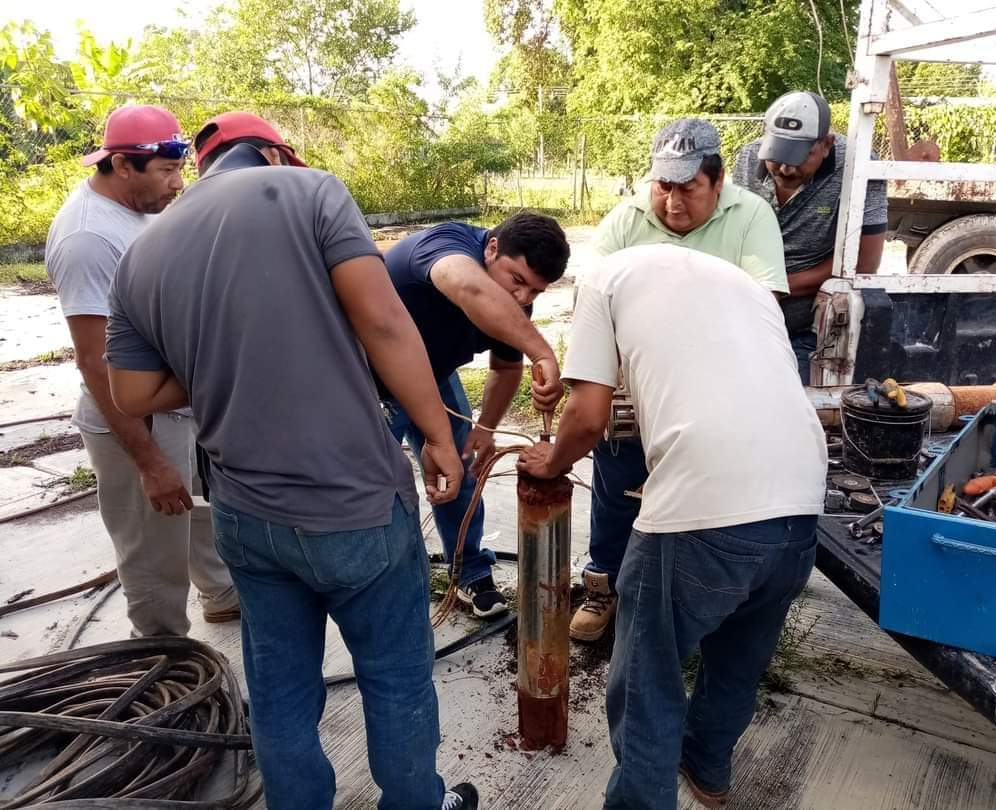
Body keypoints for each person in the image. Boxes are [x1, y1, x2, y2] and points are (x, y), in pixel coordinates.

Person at [105, 112, 479, 810]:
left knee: (279, 690)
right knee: (396, 679)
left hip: (246, 519)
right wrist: (437, 433)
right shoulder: (311, 192)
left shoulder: (143, 252)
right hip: (356, 509)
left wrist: (222, 363)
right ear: (275, 153)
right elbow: (384, 320)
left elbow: (131, 392)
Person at [517, 243, 827, 810]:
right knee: (740, 656)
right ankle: (708, 770)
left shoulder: (604, 280)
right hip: (803, 496)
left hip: (703, 503)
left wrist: (553, 461)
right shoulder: (745, 287)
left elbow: (587, 417)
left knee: (648, 675)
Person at [571, 118, 788, 643]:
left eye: (688, 189)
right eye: (663, 187)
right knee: (616, 477)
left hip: (719, 386)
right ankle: (604, 586)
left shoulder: (750, 217)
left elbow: (764, 309)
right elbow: (590, 295)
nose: (671, 203)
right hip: (637, 379)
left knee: (708, 493)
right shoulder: (626, 220)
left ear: (717, 183)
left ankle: (704, 597)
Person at [44, 104, 238, 637]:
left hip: (177, 403)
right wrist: (149, 460)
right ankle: (158, 654)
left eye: (180, 169)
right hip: (136, 421)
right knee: (153, 546)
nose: (178, 183)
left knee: (197, 509)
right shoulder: (89, 239)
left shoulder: (145, 206)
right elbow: (94, 359)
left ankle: (221, 596)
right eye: (167, 172)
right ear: (122, 166)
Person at [380, 214, 570, 617]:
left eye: (535, 291)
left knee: (461, 470)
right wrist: (542, 351)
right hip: (370, 383)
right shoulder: (444, 244)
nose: (521, 298)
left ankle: (469, 572)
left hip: (434, 376)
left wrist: (485, 429)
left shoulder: (517, 301)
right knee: (381, 491)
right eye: (517, 280)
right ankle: (390, 587)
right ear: (493, 247)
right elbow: (468, 285)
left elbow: (504, 367)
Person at [733, 90, 888, 383]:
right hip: (746, 317)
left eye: (799, 158)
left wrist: (776, 288)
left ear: (827, 145)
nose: (784, 168)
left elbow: (864, 262)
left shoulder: (858, 166)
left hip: (809, 330)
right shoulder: (748, 157)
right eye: (776, 156)